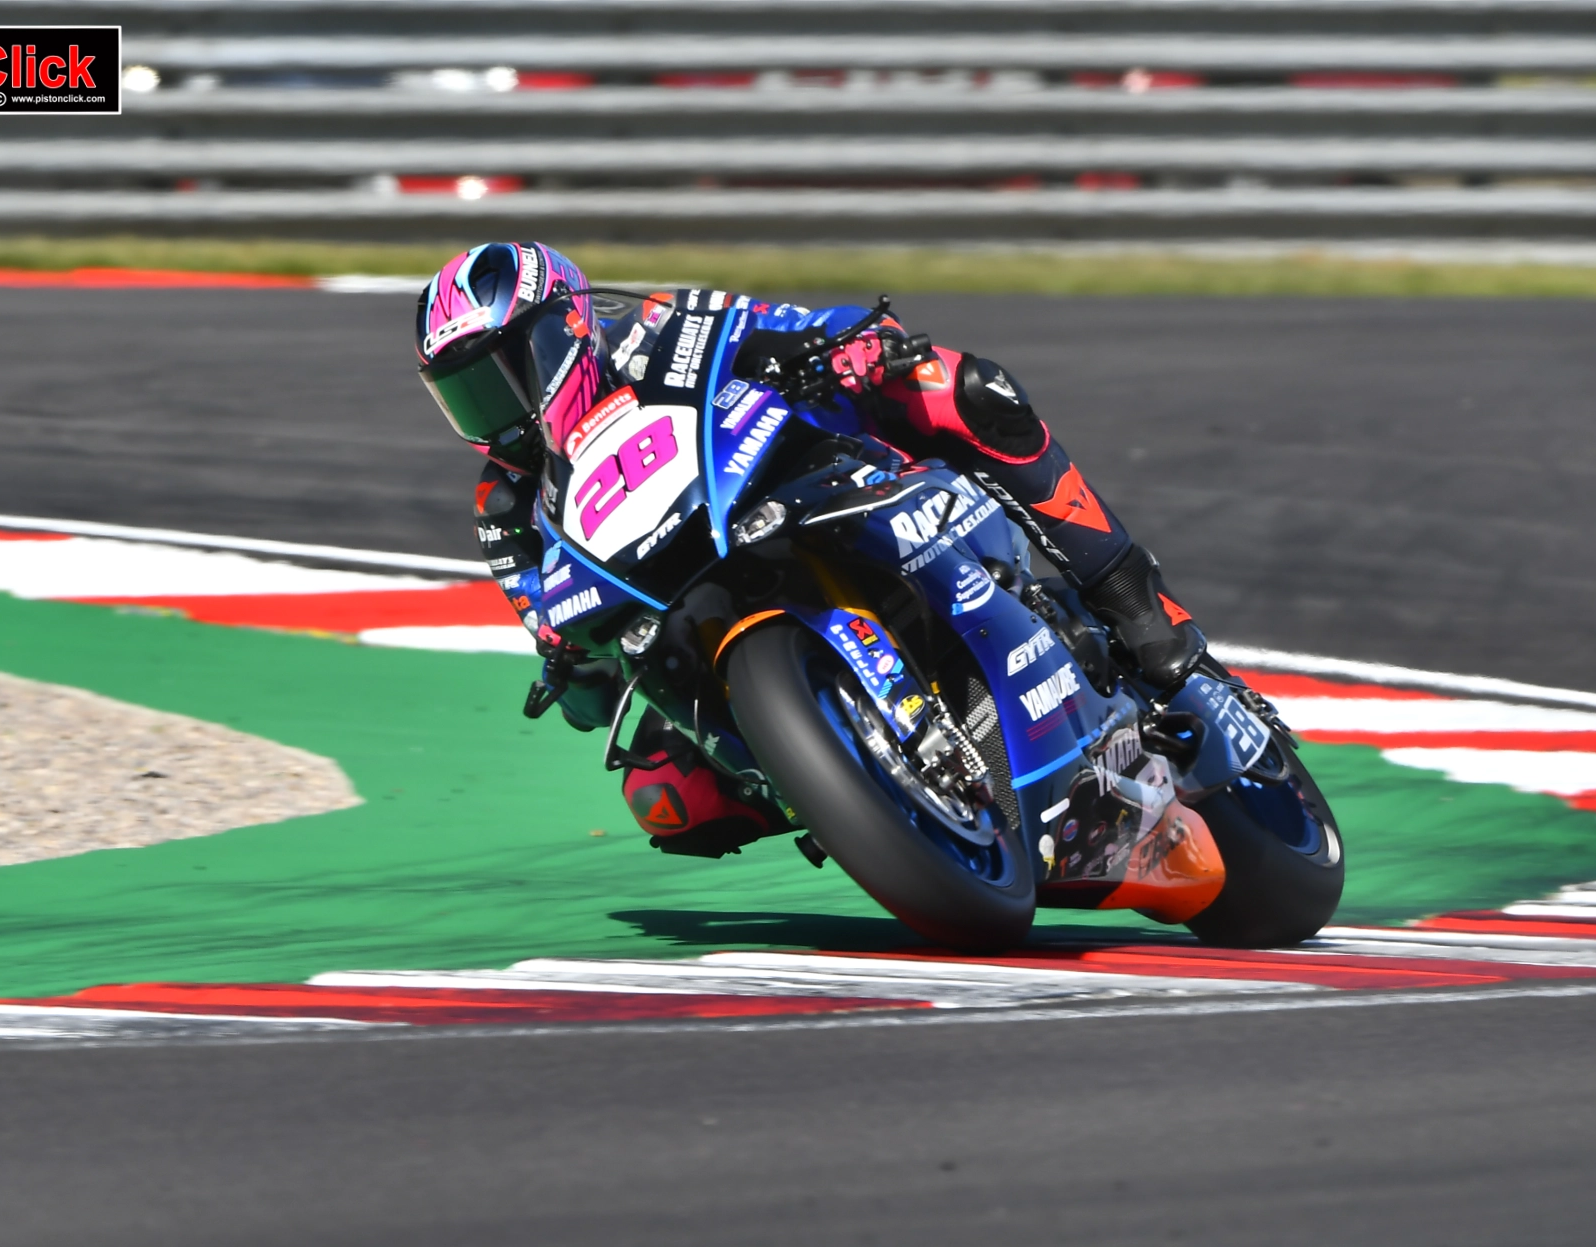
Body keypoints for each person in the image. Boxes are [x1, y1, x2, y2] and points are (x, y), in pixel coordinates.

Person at [417, 241, 1206, 858]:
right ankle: (851, 790)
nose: (498, 409)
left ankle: (1128, 594)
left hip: (800, 492)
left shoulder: (665, 328)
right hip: (684, 615)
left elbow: (793, 325)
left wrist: (846, 347)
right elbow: (542, 618)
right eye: (468, 392)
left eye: (508, 371)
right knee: (665, 793)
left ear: (570, 327)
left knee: (956, 386)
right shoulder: (507, 499)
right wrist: (567, 659)